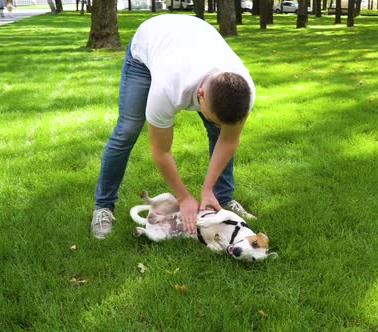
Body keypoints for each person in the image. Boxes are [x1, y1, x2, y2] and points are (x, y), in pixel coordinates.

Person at [91, 14, 257, 239]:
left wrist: (206, 188)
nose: (217, 124)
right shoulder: (167, 88)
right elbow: (161, 151)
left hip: (192, 34)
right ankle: (104, 206)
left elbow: (228, 140)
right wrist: (184, 197)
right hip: (149, 43)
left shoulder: (242, 90)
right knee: (128, 130)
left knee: (219, 133)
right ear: (200, 96)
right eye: (213, 117)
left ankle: (221, 199)